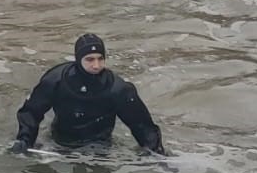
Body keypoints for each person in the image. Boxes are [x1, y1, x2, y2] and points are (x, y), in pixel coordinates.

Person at [10, 33, 165, 156]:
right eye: (90, 59)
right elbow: (31, 112)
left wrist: (156, 155)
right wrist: (24, 141)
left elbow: (143, 126)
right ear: (78, 59)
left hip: (100, 148)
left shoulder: (118, 89)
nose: (96, 65)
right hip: (59, 144)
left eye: (100, 59)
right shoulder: (55, 81)